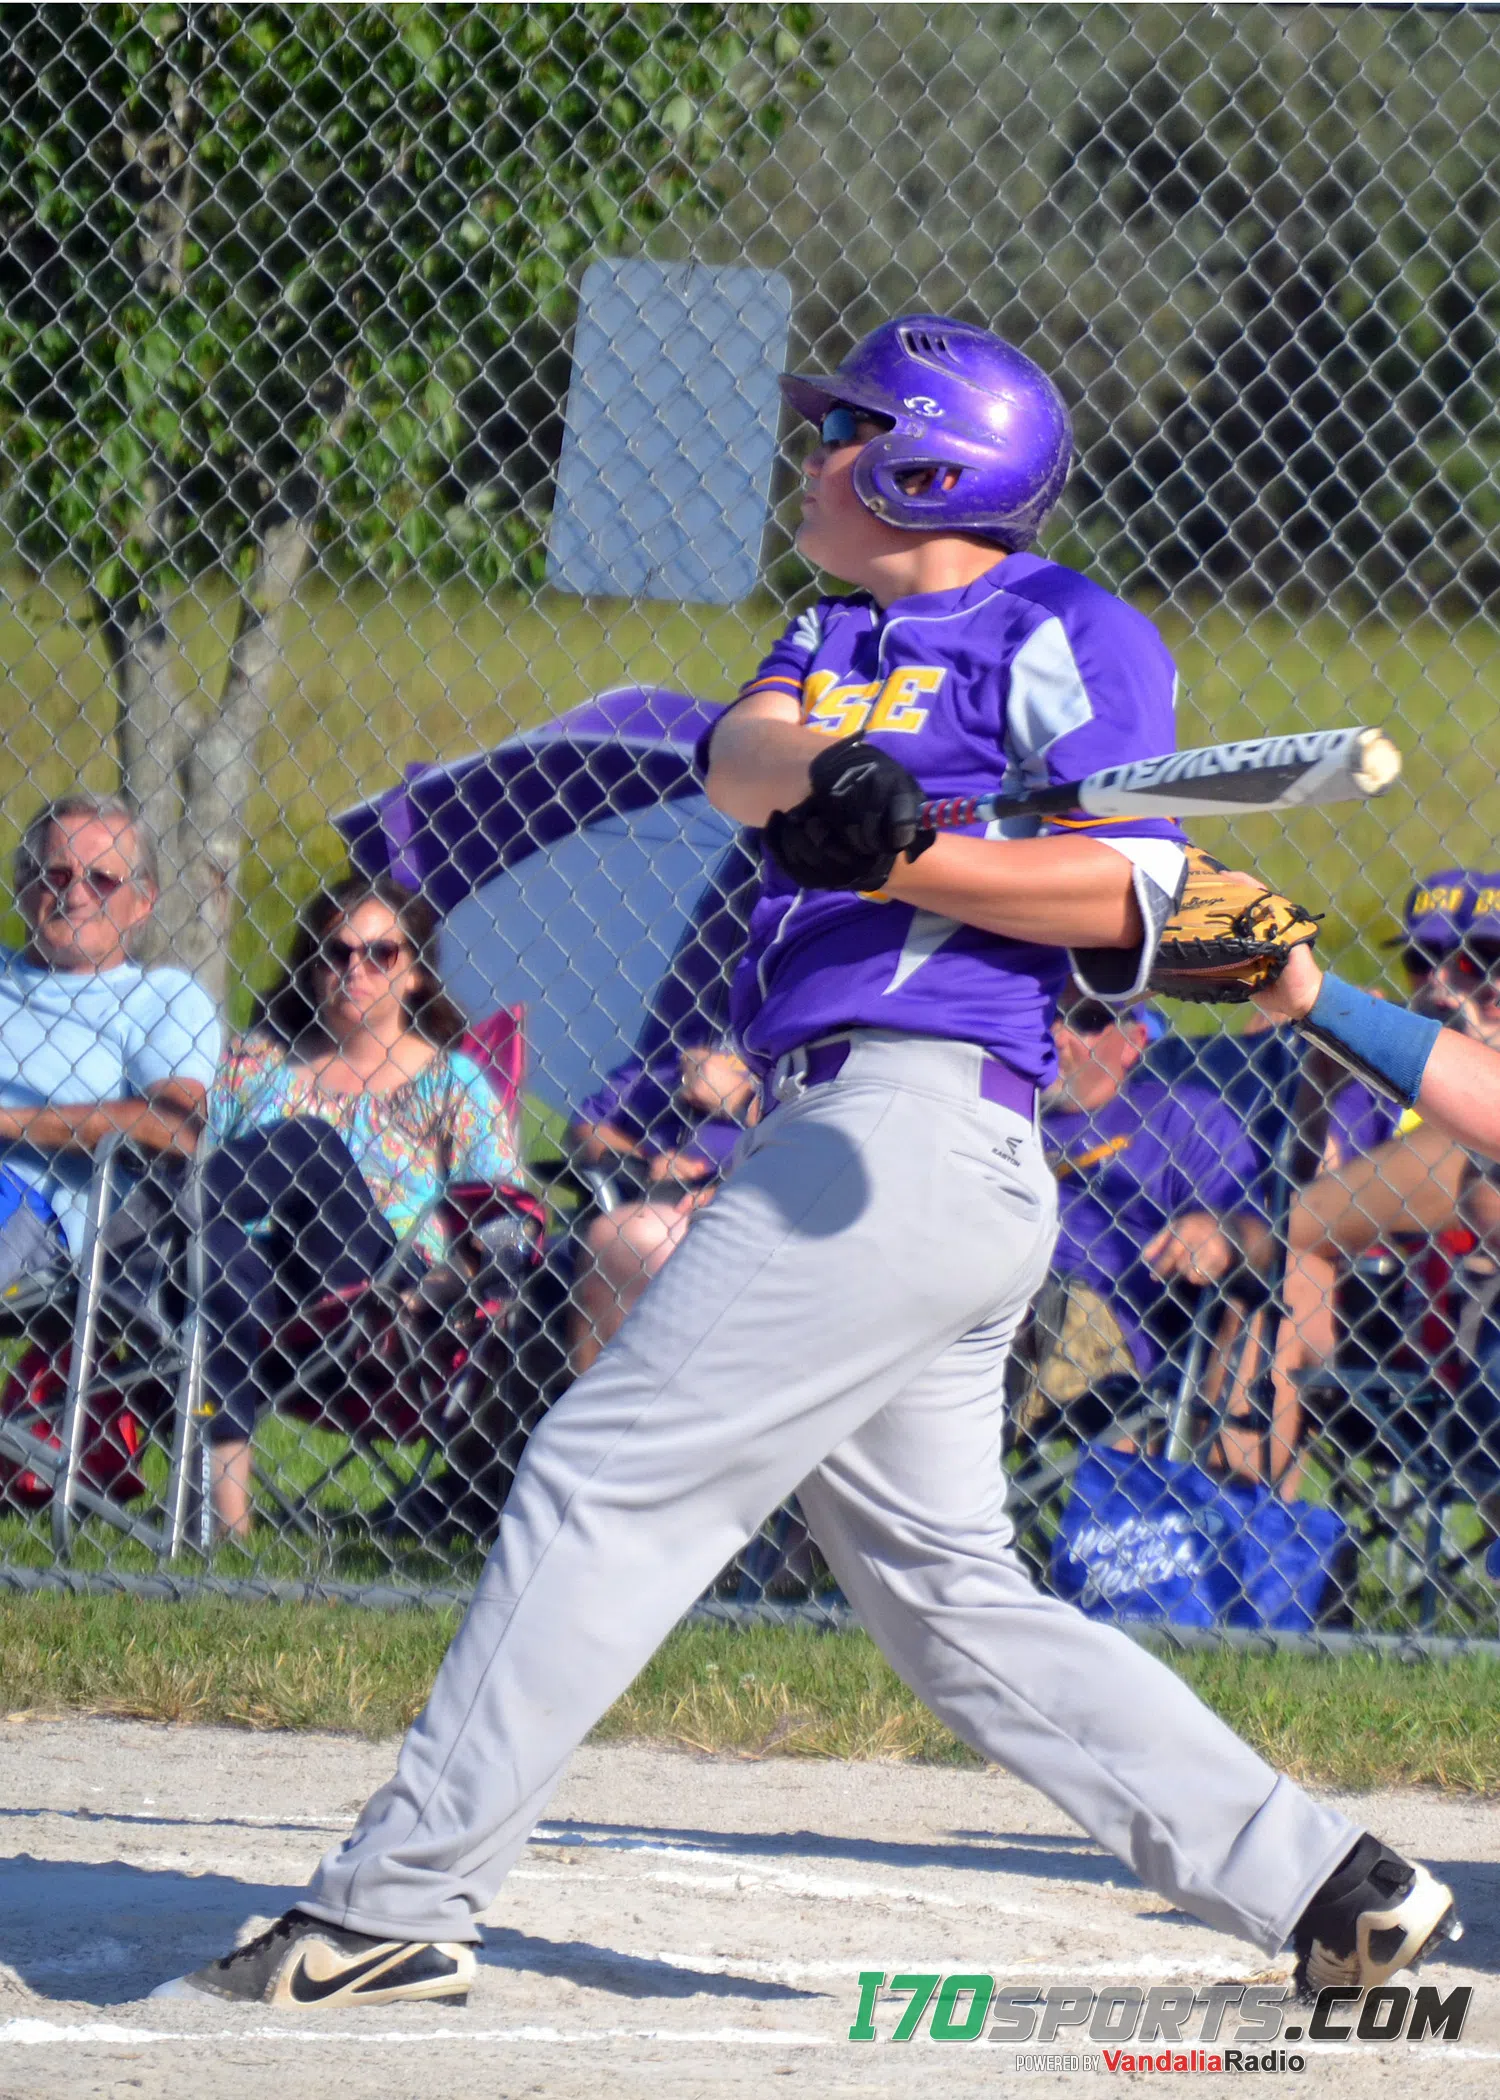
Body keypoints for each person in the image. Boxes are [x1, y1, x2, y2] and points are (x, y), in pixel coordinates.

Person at [155, 315, 1457, 2008]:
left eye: (843, 432)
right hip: (862, 1153)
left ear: (928, 463)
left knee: (602, 1480)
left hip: (912, 1134)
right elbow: (742, 753)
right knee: (952, 1608)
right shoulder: (832, 625)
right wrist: (837, 780)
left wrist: (918, 854)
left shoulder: (1068, 630)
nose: (810, 458)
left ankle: (396, 1896)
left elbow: (1128, 894)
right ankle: (1329, 1890)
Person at [197, 874, 521, 1539]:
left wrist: (444, 1284)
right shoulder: (254, 1063)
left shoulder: (450, 1081)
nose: (356, 969)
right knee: (221, 1253)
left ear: (415, 975)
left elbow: (503, 1222)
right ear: (314, 967)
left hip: (374, 1294)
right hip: (255, 1287)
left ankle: (139, 1229)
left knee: (311, 1146)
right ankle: (228, 1528)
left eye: (382, 954)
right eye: (337, 952)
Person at [0, 794, 220, 1256]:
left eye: (102, 880)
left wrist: (9, 1122)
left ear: (142, 903)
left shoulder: (160, 997)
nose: (75, 894)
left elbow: (175, 1126)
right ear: (24, 886)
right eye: (57, 874)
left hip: (36, 1204)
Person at [565, 1038, 759, 1373]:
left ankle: (598, 1416)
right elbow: (588, 1125)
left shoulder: (817, 1014)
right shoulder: (696, 996)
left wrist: (742, 1098)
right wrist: (647, 1161)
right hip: (642, 1188)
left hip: (735, 1205)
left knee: (631, 1238)